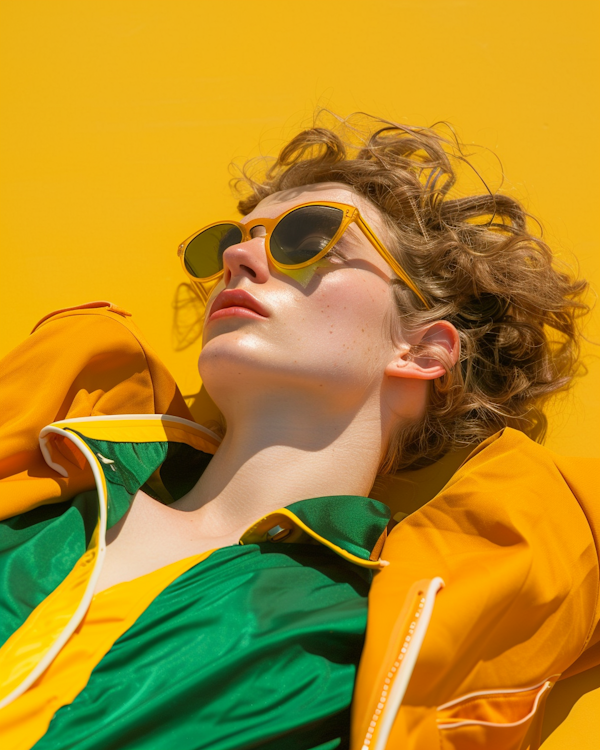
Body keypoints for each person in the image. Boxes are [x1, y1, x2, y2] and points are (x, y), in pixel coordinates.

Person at [0, 113, 597, 750]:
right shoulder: (43, 492)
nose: (237, 256)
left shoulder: (369, 634)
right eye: (234, 238)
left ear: (424, 350)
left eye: (307, 237)